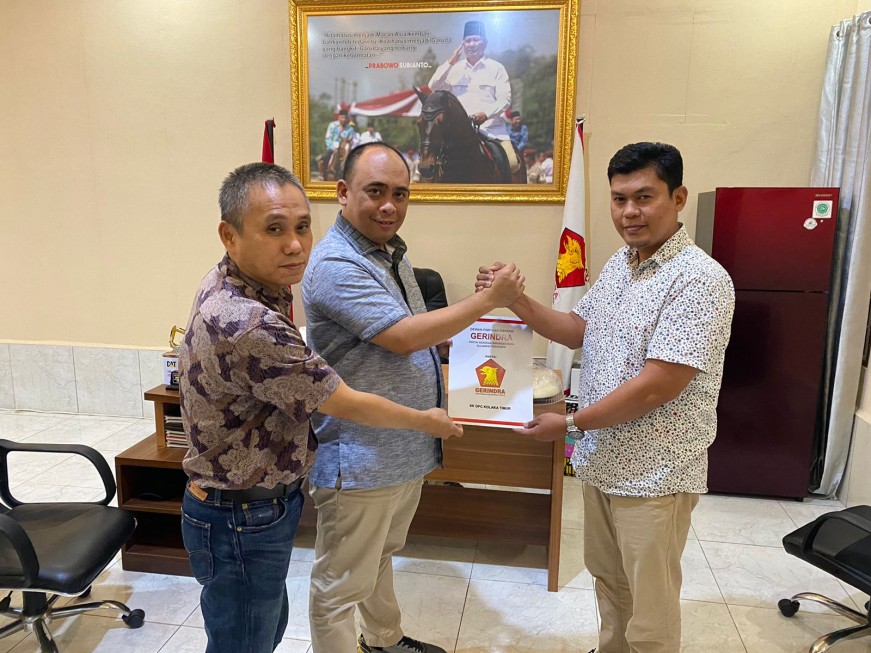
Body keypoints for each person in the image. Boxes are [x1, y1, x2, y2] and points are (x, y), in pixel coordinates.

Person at [178, 162, 462, 653]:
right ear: (230, 235)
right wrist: (425, 421)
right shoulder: (250, 322)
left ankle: (383, 639)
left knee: (263, 627)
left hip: (261, 499)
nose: (294, 245)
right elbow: (342, 398)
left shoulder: (250, 283)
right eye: (274, 229)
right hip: (241, 510)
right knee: (251, 636)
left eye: (302, 226)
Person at [477, 142, 735, 653]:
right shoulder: (622, 263)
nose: (629, 212)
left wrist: (571, 423)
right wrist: (516, 300)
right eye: (619, 199)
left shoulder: (701, 280)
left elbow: (659, 384)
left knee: (651, 602)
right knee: (610, 582)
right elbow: (577, 329)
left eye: (644, 197)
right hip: (603, 461)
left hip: (655, 473)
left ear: (678, 198)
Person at [302, 142, 525, 653]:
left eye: (400, 194)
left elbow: (417, 333)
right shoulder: (337, 262)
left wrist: (465, 323)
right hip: (361, 456)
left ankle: (383, 641)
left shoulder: (390, 253)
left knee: (379, 556)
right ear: (343, 192)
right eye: (375, 191)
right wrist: (488, 300)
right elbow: (402, 337)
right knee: (339, 587)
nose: (389, 206)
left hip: (401, 448)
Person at [428, 20, 520, 173]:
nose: (471, 44)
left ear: (485, 43)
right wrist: (450, 62)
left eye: (476, 40)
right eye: (467, 41)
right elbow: (433, 86)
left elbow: (505, 99)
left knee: (512, 163)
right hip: (458, 134)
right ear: (463, 45)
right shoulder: (454, 69)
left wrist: (486, 114)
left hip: (491, 131)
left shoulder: (496, 68)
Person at [318, 109, 357, 180]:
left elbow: (351, 140)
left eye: (345, 118)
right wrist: (332, 147)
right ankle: (322, 174)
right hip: (332, 147)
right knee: (324, 157)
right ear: (339, 117)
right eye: (342, 117)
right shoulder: (332, 125)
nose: (344, 120)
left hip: (344, 148)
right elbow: (328, 137)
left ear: (347, 119)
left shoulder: (350, 129)